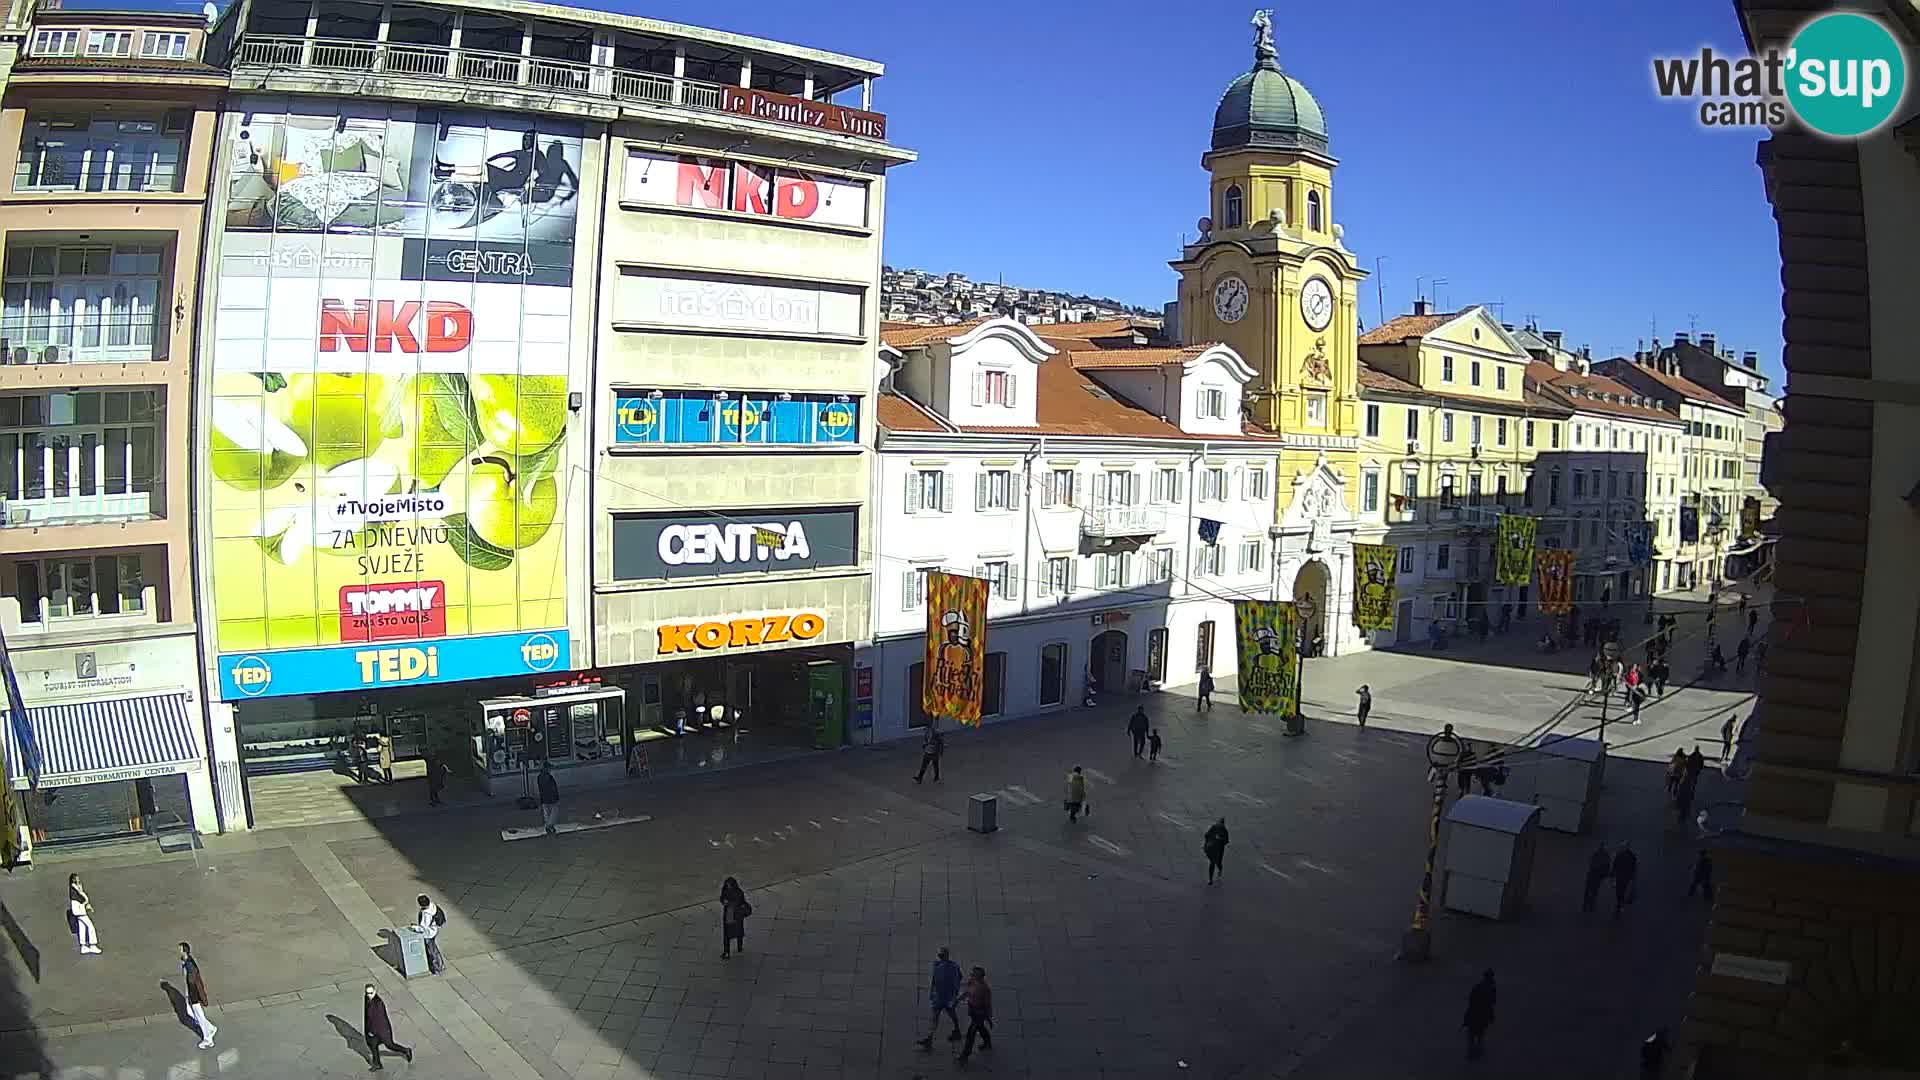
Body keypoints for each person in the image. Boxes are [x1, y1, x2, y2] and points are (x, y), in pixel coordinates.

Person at [916, 947, 964, 1049]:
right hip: (944, 997)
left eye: (940, 955)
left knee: (940, 1017)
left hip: (942, 997)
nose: (939, 957)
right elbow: (959, 977)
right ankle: (954, 1031)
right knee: (943, 1016)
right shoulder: (952, 966)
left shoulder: (940, 966)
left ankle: (931, 1038)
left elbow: (935, 981)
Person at [363, 984, 413, 1069]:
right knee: (373, 1046)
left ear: (375, 991)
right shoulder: (367, 998)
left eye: (371, 993)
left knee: (390, 1045)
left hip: (382, 1030)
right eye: (367, 993)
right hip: (372, 1030)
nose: (369, 995)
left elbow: (378, 1021)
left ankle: (406, 1050)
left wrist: (372, 1032)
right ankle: (377, 1064)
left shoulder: (378, 1004)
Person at [954, 966, 993, 1066]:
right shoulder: (972, 981)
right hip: (972, 1009)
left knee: (970, 1033)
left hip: (979, 1013)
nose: (971, 975)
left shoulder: (985, 988)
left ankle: (965, 1055)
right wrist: (958, 999)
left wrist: (988, 1017)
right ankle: (987, 1041)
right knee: (981, 1027)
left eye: (974, 974)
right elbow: (967, 991)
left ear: (980, 977)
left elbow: (987, 1004)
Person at [180, 942, 217, 1048]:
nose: (179, 952)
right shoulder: (188, 961)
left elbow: (192, 982)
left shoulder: (189, 965)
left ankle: (208, 1039)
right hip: (192, 995)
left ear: (184, 951)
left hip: (194, 996)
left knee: (199, 1017)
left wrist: (189, 996)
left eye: (180, 950)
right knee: (192, 1014)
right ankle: (210, 1027)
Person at [1463, 969, 1496, 1060]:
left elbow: (1472, 1001)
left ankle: (1473, 1053)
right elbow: (1491, 1003)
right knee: (1479, 1034)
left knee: (1474, 1034)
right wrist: (1491, 1015)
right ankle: (1476, 1053)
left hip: (1475, 1013)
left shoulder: (1479, 987)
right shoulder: (1490, 988)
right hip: (1480, 1014)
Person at [67, 874, 100, 955]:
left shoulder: (75, 887)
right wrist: (86, 903)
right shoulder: (74, 888)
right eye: (77, 879)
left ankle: (83, 946)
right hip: (79, 910)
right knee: (90, 926)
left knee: (82, 926)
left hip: (79, 910)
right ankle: (93, 945)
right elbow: (79, 897)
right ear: (74, 880)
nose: (78, 880)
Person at [415, 894, 446, 975]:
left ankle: (437, 968)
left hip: (428, 934)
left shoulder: (426, 914)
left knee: (431, 951)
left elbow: (423, 927)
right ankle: (441, 965)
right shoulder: (432, 906)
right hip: (434, 930)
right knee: (434, 949)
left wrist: (415, 928)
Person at [720, 877, 750, 958]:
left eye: (729, 885)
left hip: (737, 916)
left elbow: (739, 902)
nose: (728, 886)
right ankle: (726, 952)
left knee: (738, 932)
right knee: (726, 935)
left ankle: (739, 947)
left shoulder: (739, 892)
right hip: (728, 915)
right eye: (727, 885)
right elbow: (722, 898)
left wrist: (728, 902)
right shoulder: (725, 889)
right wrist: (723, 901)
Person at [1581, 844, 1610, 913]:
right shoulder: (1606, 856)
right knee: (1594, 892)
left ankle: (1585, 905)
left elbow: (1591, 862)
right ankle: (1591, 906)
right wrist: (1604, 876)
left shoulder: (1596, 853)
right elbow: (1607, 868)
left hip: (1591, 875)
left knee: (1588, 891)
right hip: (1597, 877)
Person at [1611, 843, 1639, 915]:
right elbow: (1634, 868)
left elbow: (1615, 864)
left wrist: (1613, 875)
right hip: (1626, 878)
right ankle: (1620, 904)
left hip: (1620, 876)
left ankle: (1619, 903)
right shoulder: (1632, 856)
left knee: (1619, 891)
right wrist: (1633, 877)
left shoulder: (1620, 854)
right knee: (1623, 890)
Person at [1203, 817, 1230, 884]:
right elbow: (1206, 835)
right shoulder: (1214, 827)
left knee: (1218, 863)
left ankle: (1220, 869)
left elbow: (1226, 841)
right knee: (1212, 863)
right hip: (1213, 848)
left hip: (1219, 849)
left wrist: (1220, 839)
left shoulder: (1224, 830)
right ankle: (1210, 879)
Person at [537, 763, 560, 834]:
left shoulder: (540, 776)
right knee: (553, 812)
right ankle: (550, 825)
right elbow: (552, 788)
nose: (550, 769)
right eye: (549, 768)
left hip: (544, 798)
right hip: (551, 798)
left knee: (546, 813)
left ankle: (548, 825)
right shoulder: (548, 777)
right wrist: (556, 797)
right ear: (546, 768)